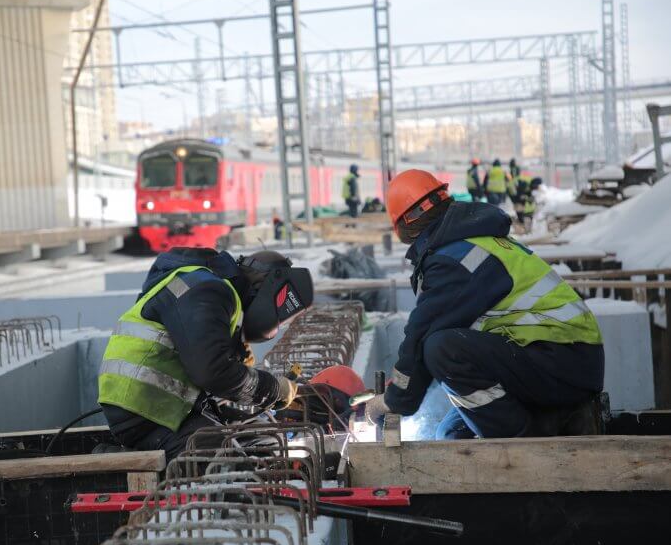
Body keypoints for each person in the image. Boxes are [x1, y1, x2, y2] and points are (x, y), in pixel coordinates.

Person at [365, 169, 605, 439]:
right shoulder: (469, 242)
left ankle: (523, 441)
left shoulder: (456, 258)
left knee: (441, 348)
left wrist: (394, 399)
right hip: (557, 356)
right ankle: (542, 422)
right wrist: (403, 388)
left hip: (562, 360)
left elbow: (422, 336)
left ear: (405, 225)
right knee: (450, 436)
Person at [98, 247, 314, 460]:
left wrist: (235, 353)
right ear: (265, 289)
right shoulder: (209, 289)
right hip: (146, 413)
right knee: (233, 469)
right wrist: (273, 389)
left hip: (157, 408)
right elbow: (212, 372)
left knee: (254, 443)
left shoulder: (207, 285)